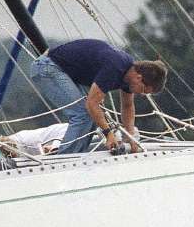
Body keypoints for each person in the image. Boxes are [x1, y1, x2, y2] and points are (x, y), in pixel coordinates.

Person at [29, 39, 166, 155]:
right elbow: (91, 104)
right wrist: (108, 134)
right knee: (84, 113)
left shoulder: (128, 75)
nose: (140, 94)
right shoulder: (115, 67)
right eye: (142, 90)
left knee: (94, 117)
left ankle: (73, 153)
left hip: (64, 71)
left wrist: (129, 137)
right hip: (48, 67)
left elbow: (127, 106)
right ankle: (64, 157)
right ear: (138, 77)